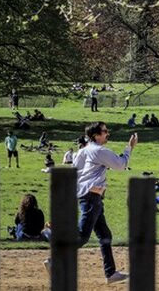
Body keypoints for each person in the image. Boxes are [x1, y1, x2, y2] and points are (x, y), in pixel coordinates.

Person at [49, 121, 136, 284]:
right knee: (82, 236)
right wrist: (129, 147)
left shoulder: (83, 151)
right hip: (92, 197)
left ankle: (110, 273)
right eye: (104, 131)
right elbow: (121, 165)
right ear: (96, 135)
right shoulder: (99, 150)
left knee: (104, 235)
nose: (107, 133)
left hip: (88, 196)